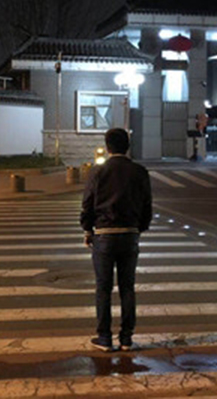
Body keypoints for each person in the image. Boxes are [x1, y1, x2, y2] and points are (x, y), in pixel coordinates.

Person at [80, 128, 152, 352]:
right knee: (127, 287)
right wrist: (139, 228)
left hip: (104, 234)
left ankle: (104, 338)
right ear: (127, 146)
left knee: (103, 288)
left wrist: (88, 230)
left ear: (107, 147)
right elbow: (147, 205)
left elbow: (87, 204)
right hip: (130, 234)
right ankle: (126, 338)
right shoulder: (139, 171)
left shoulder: (97, 172)